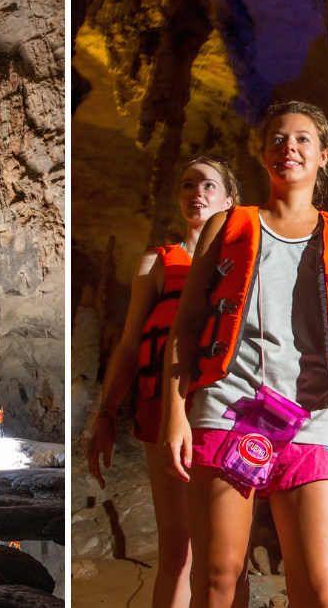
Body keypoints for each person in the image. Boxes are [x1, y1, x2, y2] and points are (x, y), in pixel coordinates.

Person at [162, 100, 328, 608]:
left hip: (314, 416)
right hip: (229, 406)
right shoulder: (228, 226)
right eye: (278, 139)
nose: (289, 148)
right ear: (263, 152)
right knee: (219, 576)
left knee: (320, 589)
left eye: (303, 139)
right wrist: (176, 415)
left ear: (324, 155)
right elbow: (188, 327)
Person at [85, 155, 240, 607]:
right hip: (163, 409)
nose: (198, 194)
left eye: (209, 186)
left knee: (228, 552)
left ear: (229, 200)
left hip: (229, 413)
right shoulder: (159, 261)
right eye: (189, 184)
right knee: (179, 549)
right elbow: (132, 342)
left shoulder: (245, 265)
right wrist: (106, 413)